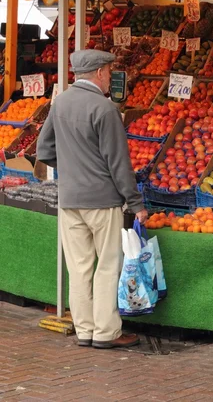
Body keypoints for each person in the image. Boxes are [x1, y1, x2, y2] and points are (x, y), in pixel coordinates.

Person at [37, 50, 147, 350]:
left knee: (80, 268)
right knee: (108, 266)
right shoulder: (105, 109)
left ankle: (84, 330)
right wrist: (136, 203)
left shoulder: (59, 103)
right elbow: (118, 163)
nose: (111, 77)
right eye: (109, 72)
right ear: (99, 73)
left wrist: (73, 169)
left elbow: (43, 150)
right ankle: (106, 333)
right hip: (102, 200)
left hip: (70, 200)